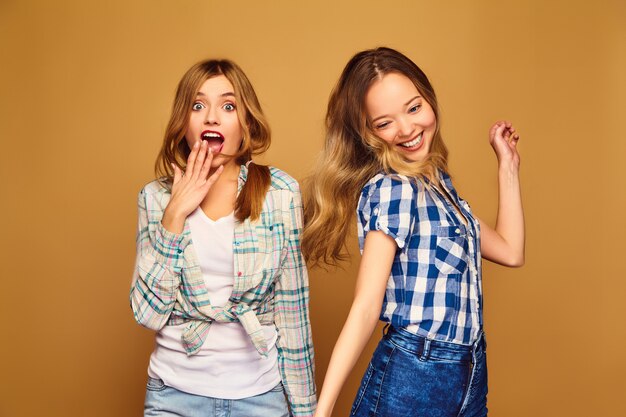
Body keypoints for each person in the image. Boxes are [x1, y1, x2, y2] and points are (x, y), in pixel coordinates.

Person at [303, 47, 524, 417]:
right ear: (368, 133)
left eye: (414, 107)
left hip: (470, 369)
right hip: (414, 374)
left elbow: (511, 251)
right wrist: (322, 412)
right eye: (384, 122)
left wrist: (508, 166)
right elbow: (365, 306)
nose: (406, 129)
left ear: (429, 99)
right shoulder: (394, 189)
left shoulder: (440, 188)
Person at [130, 59, 316, 417]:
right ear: (183, 122)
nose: (212, 117)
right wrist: (174, 215)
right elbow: (147, 314)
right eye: (198, 106)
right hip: (173, 396)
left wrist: (306, 410)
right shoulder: (154, 198)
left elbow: (293, 314)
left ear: (246, 123)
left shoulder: (280, 193)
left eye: (228, 106)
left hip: (261, 398)